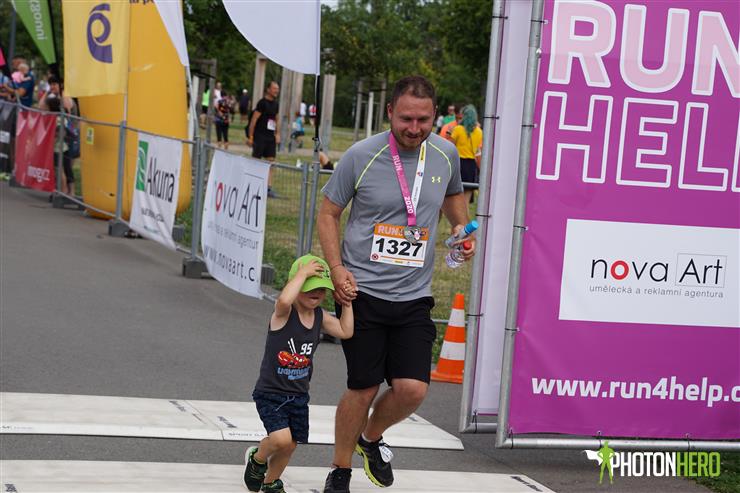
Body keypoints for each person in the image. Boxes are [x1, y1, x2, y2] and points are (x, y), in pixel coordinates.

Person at [318, 75, 476, 493]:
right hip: (362, 291)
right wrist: (336, 269)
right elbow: (328, 213)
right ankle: (339, 470)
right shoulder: (361, 155)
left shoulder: (445, 154)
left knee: (412, 389)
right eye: (406, 118)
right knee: (364, 386)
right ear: (390, 112)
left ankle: (370, 439)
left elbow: (453, 197)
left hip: (414, 294)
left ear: (435, 116)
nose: (414, 128)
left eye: (423, 120)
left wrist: (461, 230)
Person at [243, 254, 355, 493]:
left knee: (290, 445)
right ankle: (258, 458)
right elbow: (284, 299)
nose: (316, 293)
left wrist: (347, 303)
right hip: (271, 392)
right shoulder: (284, 314)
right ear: (295, 285)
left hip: (299, 395)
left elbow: (345, 331)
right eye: (309, 287)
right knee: (280, 439)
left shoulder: (319, 316)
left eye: (321, 289)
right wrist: (303, 273)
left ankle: (271, 482)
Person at [248, 81, 280, 198]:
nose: (276, 91)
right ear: (268, 89)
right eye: (274, 88)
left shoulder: (276, 104)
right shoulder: (262, 103)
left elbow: (276, 119)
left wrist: (278, 134)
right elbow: (253, 120)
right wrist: (251, 137)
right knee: (256, 161)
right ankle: (252, 184)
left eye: (277, 89)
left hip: (270, 137)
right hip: (260, 136)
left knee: (271, 162)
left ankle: (268, 188)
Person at [450, 104, 483, 204]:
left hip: (458, 164)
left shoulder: (458, 129)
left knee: (453, 198)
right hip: (471, 166)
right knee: (465, 202)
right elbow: (478, 152)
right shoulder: (479, 132)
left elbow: (450, 148)